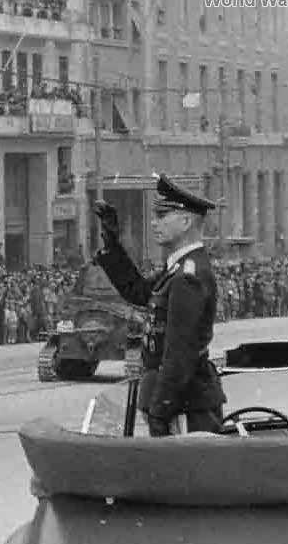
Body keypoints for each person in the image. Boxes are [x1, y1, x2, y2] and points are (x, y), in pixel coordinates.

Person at [93, 175, 226, 436]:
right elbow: (139, 292)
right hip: (176, 399)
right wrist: (113, 245)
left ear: (185, 222)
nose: (154, 222)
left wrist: (161, 408)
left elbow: (180, 352)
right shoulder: (178, 268)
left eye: (162, 216)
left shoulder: (188, 275)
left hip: (184, 404)